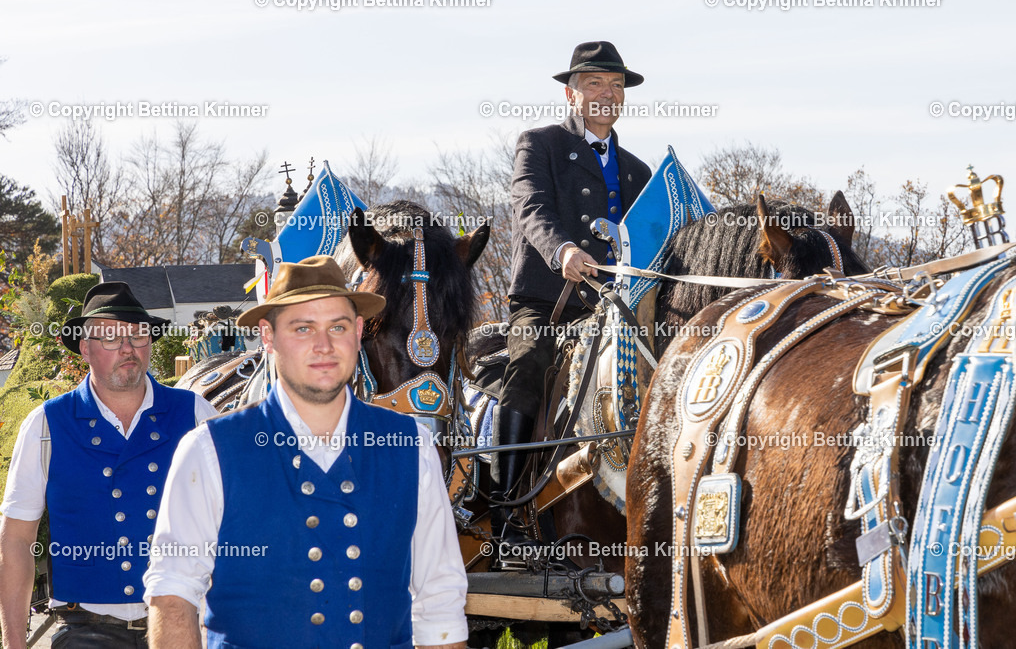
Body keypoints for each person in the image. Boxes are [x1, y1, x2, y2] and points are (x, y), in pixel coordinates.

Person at [144, 255, 468, 649]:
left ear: (360, 330)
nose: (324, 346)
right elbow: (173, 597)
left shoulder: (411, 446)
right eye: (303, 328)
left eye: (338, 326)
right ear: (268, 336)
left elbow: (440, 599)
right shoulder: (207, 451)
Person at [492, 41, 653, 554]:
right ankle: (507, 509)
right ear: (571, 92)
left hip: (615, 306)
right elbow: (530, 205)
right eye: (594, 83)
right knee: (529, 363)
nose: (607, 92)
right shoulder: (538, 144)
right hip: (548, 299)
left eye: (615, 84)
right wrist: (559, 248)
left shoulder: (638, 171)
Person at [0, 282, 218, 649]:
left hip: (180, 626)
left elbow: (232, 524)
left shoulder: (196, 413)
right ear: (85, 347)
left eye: (138, 335)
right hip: (84, 630)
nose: (128, 348)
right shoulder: (45, 425)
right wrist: (15, 645)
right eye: (111, 338)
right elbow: (17, 540)